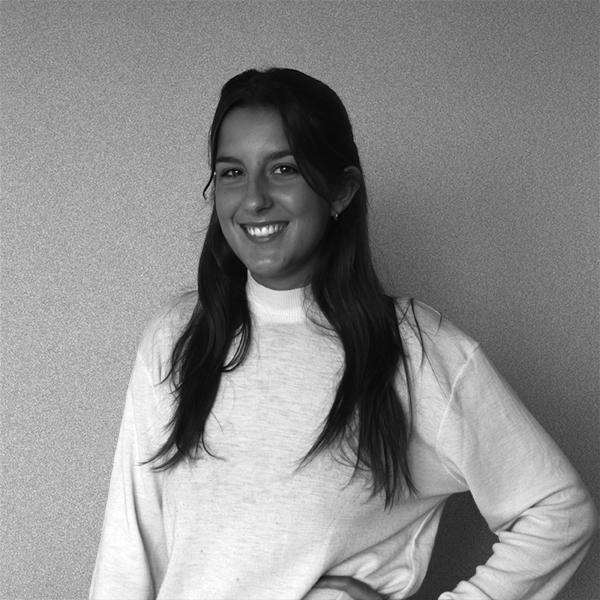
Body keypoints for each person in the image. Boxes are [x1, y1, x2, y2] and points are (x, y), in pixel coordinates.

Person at [89, 68, 597, 600]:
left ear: (340, 191)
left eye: (284, 168)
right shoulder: (175, 339)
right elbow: (127, 558)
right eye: (232, 172)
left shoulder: (413, 349)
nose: (254, 198)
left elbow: (558, 510)